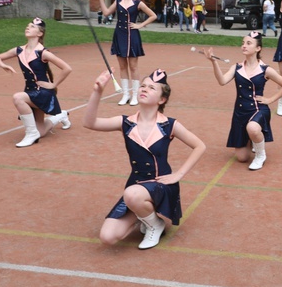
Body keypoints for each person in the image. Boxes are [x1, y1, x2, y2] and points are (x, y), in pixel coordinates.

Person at [84, 69, 206, 249]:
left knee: (132, 194)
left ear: (161, 99)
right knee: (107, 237)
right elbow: (90, 123)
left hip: (161, 184)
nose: (144, 89)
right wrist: (97, 92)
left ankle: (154, 225)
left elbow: (200, 146)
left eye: (151, 88)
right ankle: (146, 216)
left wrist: (178, 174)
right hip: (136, 187)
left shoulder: (169, 125)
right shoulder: (125, 122)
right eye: (142, 85)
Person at [204, 32, 282, 170]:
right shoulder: (237, 67)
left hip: (258, 109)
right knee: (242, 158)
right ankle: (252, 141)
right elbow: (222, 81)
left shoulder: (265, 69)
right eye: (243, 43)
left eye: (248, 43)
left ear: (258, 48)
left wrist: (270, 99)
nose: (244, 46)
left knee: (252, 128)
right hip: (240, 112)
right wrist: (214, 62)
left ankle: (260, 155)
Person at [0, 18, 72, 147]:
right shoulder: (19, 50)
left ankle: (31, 133)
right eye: (28, 25)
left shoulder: (43, 53)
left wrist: (53, 85)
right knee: (41, 131)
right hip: (30, 91)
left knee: (18, 98)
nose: (28, 27)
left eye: (32, 26)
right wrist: (3, 65)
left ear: (39, 34)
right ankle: (60, 116)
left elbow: (67, 68)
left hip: (43, 92)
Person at [96, 0, 157, 106]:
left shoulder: (138, 3)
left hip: (132, 35)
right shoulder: (118, 1)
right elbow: (106, 13)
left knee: (133, 66)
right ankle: (125, 95)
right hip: (119, 34)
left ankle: (135, 95)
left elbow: (153, 15)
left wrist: (141, 25)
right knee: (122, 66)